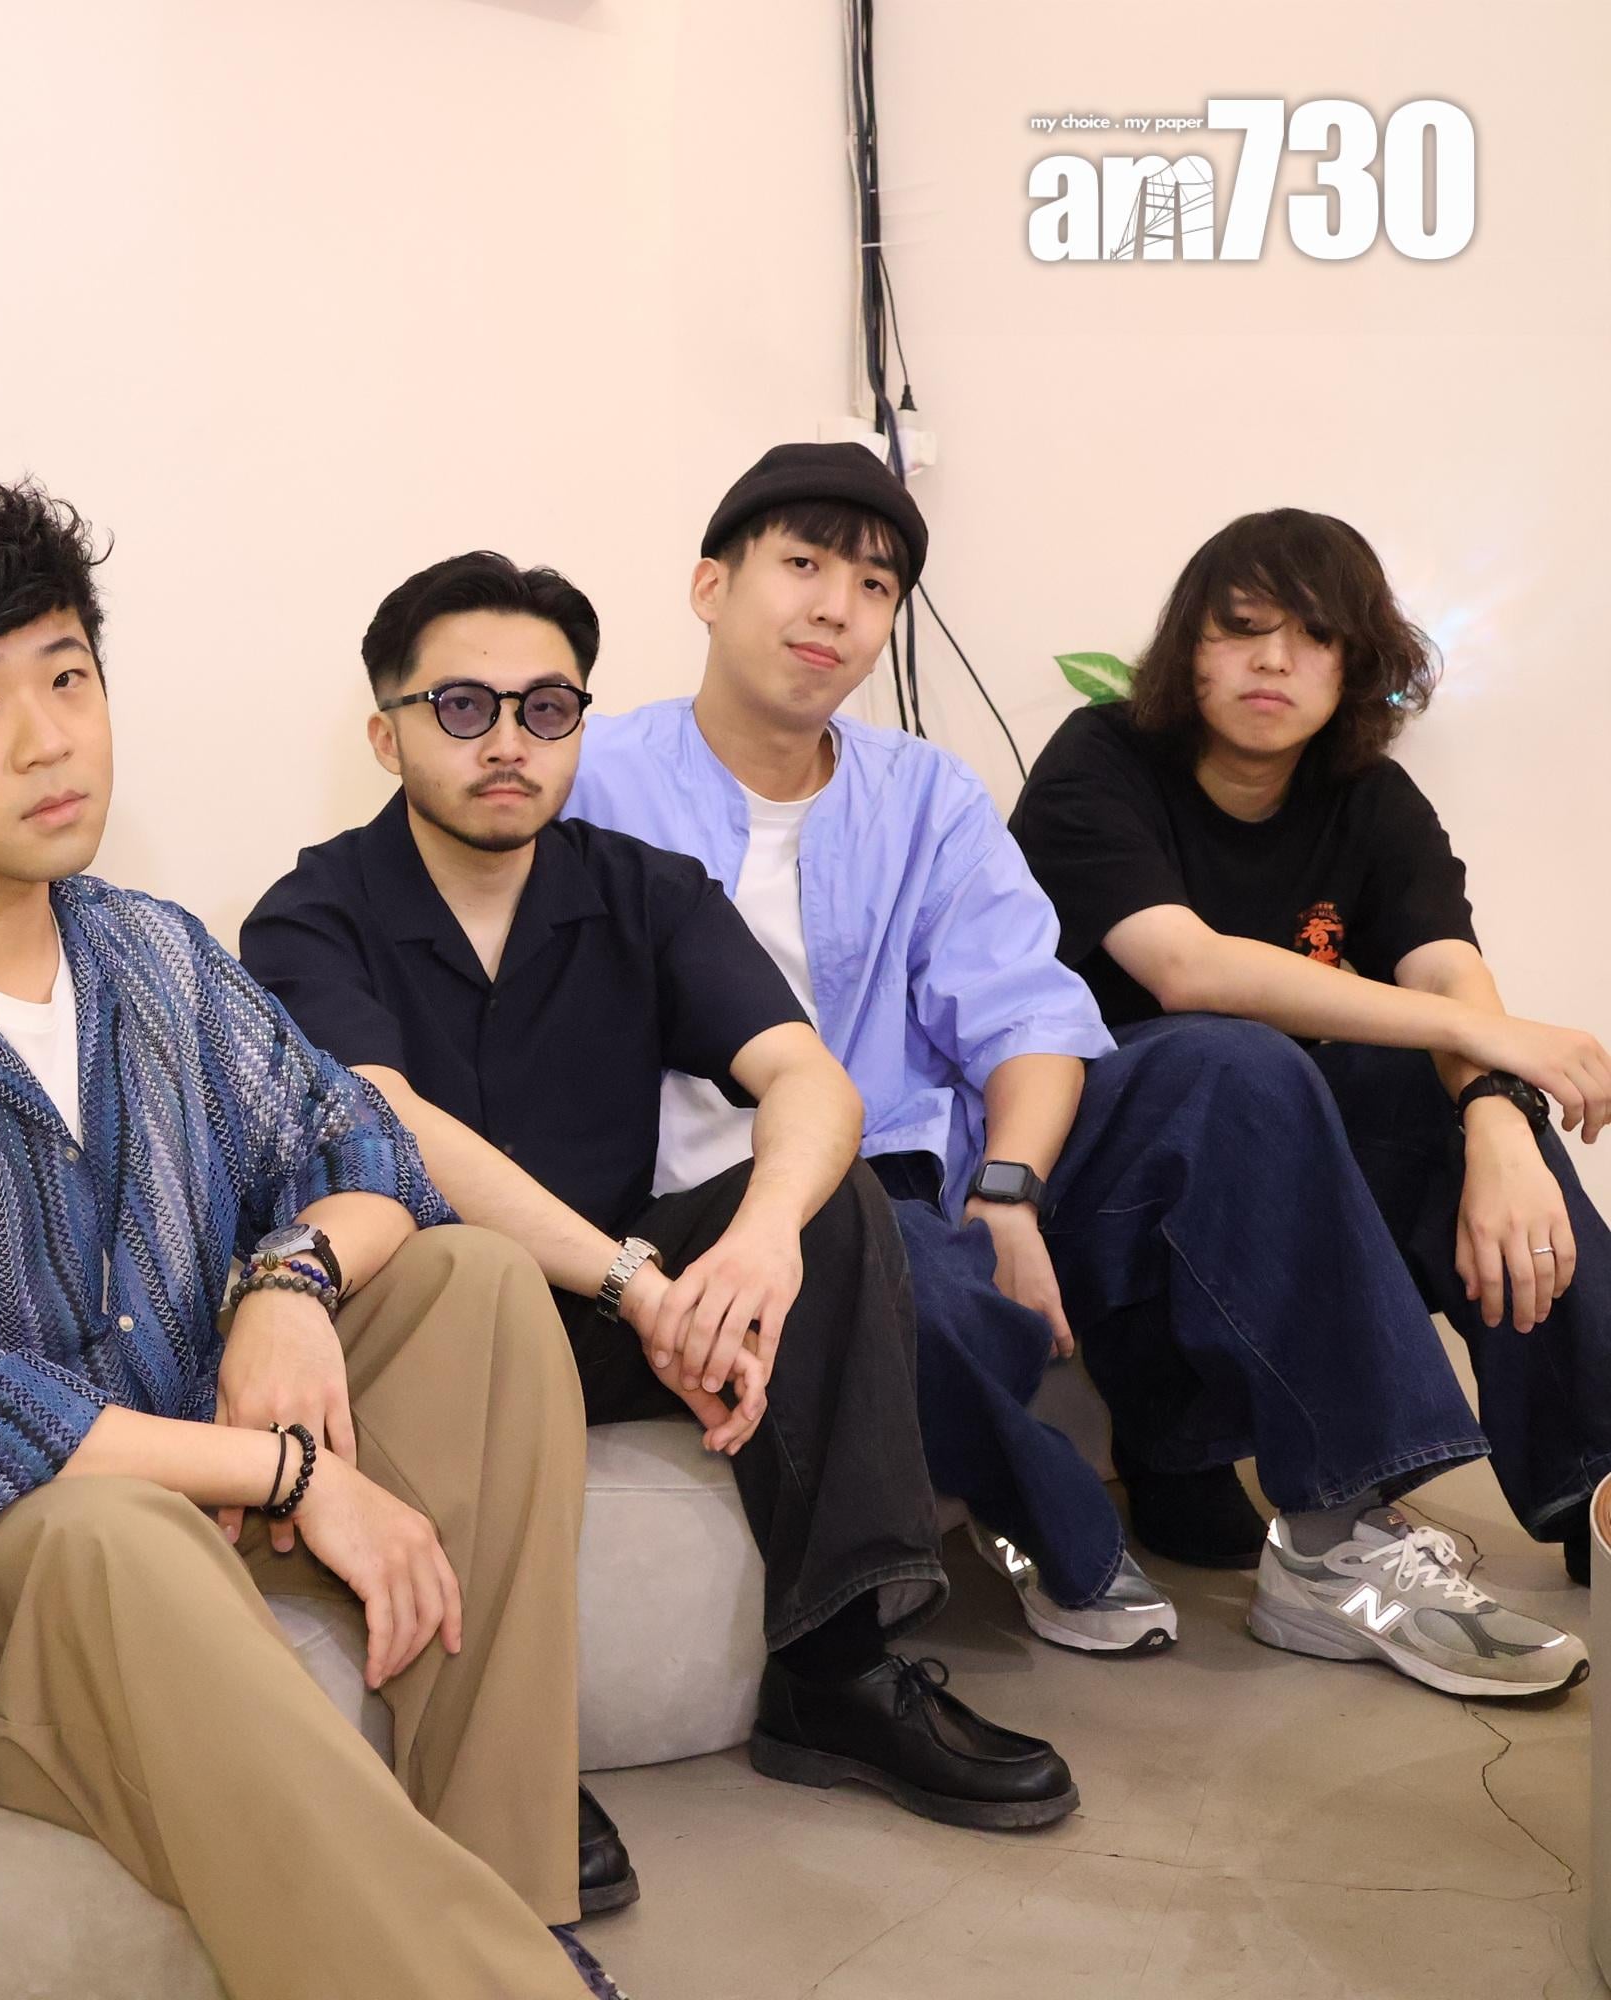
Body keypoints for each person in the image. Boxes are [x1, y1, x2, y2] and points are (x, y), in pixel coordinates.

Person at [0, 467, 622, 2000]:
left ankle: (516, 1900)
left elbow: (374, 1153)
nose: (48, 739)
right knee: (111, 1528)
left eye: (68, 678)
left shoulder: (152, 953)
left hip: (189, 1487)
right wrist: (292, 1476)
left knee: (478, 1286)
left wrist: (288, 1283)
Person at [572, 447, 1582, 1703]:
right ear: (711, 587)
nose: (836, 606)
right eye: (804, 564)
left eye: (875, 585)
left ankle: (1338, 1540)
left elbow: (1027, 1010)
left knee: (1230, 1068)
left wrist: (1010, 1186)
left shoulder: (925, 794)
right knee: (897, 1264)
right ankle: (1059, 1528)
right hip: (742, 1199)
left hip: (941, 1160)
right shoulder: (589, 780)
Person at [241, 549, 1080, 1870]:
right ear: (387, 734)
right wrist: (636, 1282)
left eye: (545, 708)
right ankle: (500, 1747)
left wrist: (757, 1241)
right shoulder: (310, 916)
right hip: (427, 1325)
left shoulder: (643, 889)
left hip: (601, 1316)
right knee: (472, 1278)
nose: (507, 742)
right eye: (461, 707)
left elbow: (809, 1080)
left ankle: (838, 1671)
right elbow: (396, 1126)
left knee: (831, 1203)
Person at [1011, 504, 1611, 1606]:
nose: (1275, 659)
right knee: (1238, 1060)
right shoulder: (1099, 760)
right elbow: (1185, 966)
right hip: (1092, 1173)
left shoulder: (1369, 800)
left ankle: (1599, 1479)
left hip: (1265, 1169)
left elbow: (1445, 970)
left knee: (1426, 1100)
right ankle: (1288, 1489)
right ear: (1188, 645)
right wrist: (1485, 1042)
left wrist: (1496, 1116)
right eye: (1242, 628)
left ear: (1357, 663)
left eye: (1315, 635)